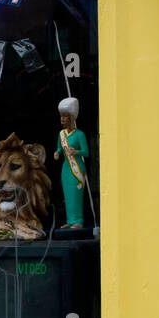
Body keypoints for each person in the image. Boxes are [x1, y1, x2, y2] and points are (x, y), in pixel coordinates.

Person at [54, 96, 89, 228]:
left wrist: (76, 152)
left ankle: (78, 220)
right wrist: (57, 153)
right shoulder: (61, 134)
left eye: (65, 116)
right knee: (67, 195)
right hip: (66, 168)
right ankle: (70, 221)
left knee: (76, 195)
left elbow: (86, 152)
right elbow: (59, 147)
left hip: (77, 168)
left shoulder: (80, 134)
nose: (62, 120)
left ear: (72, 118)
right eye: (61, 116)